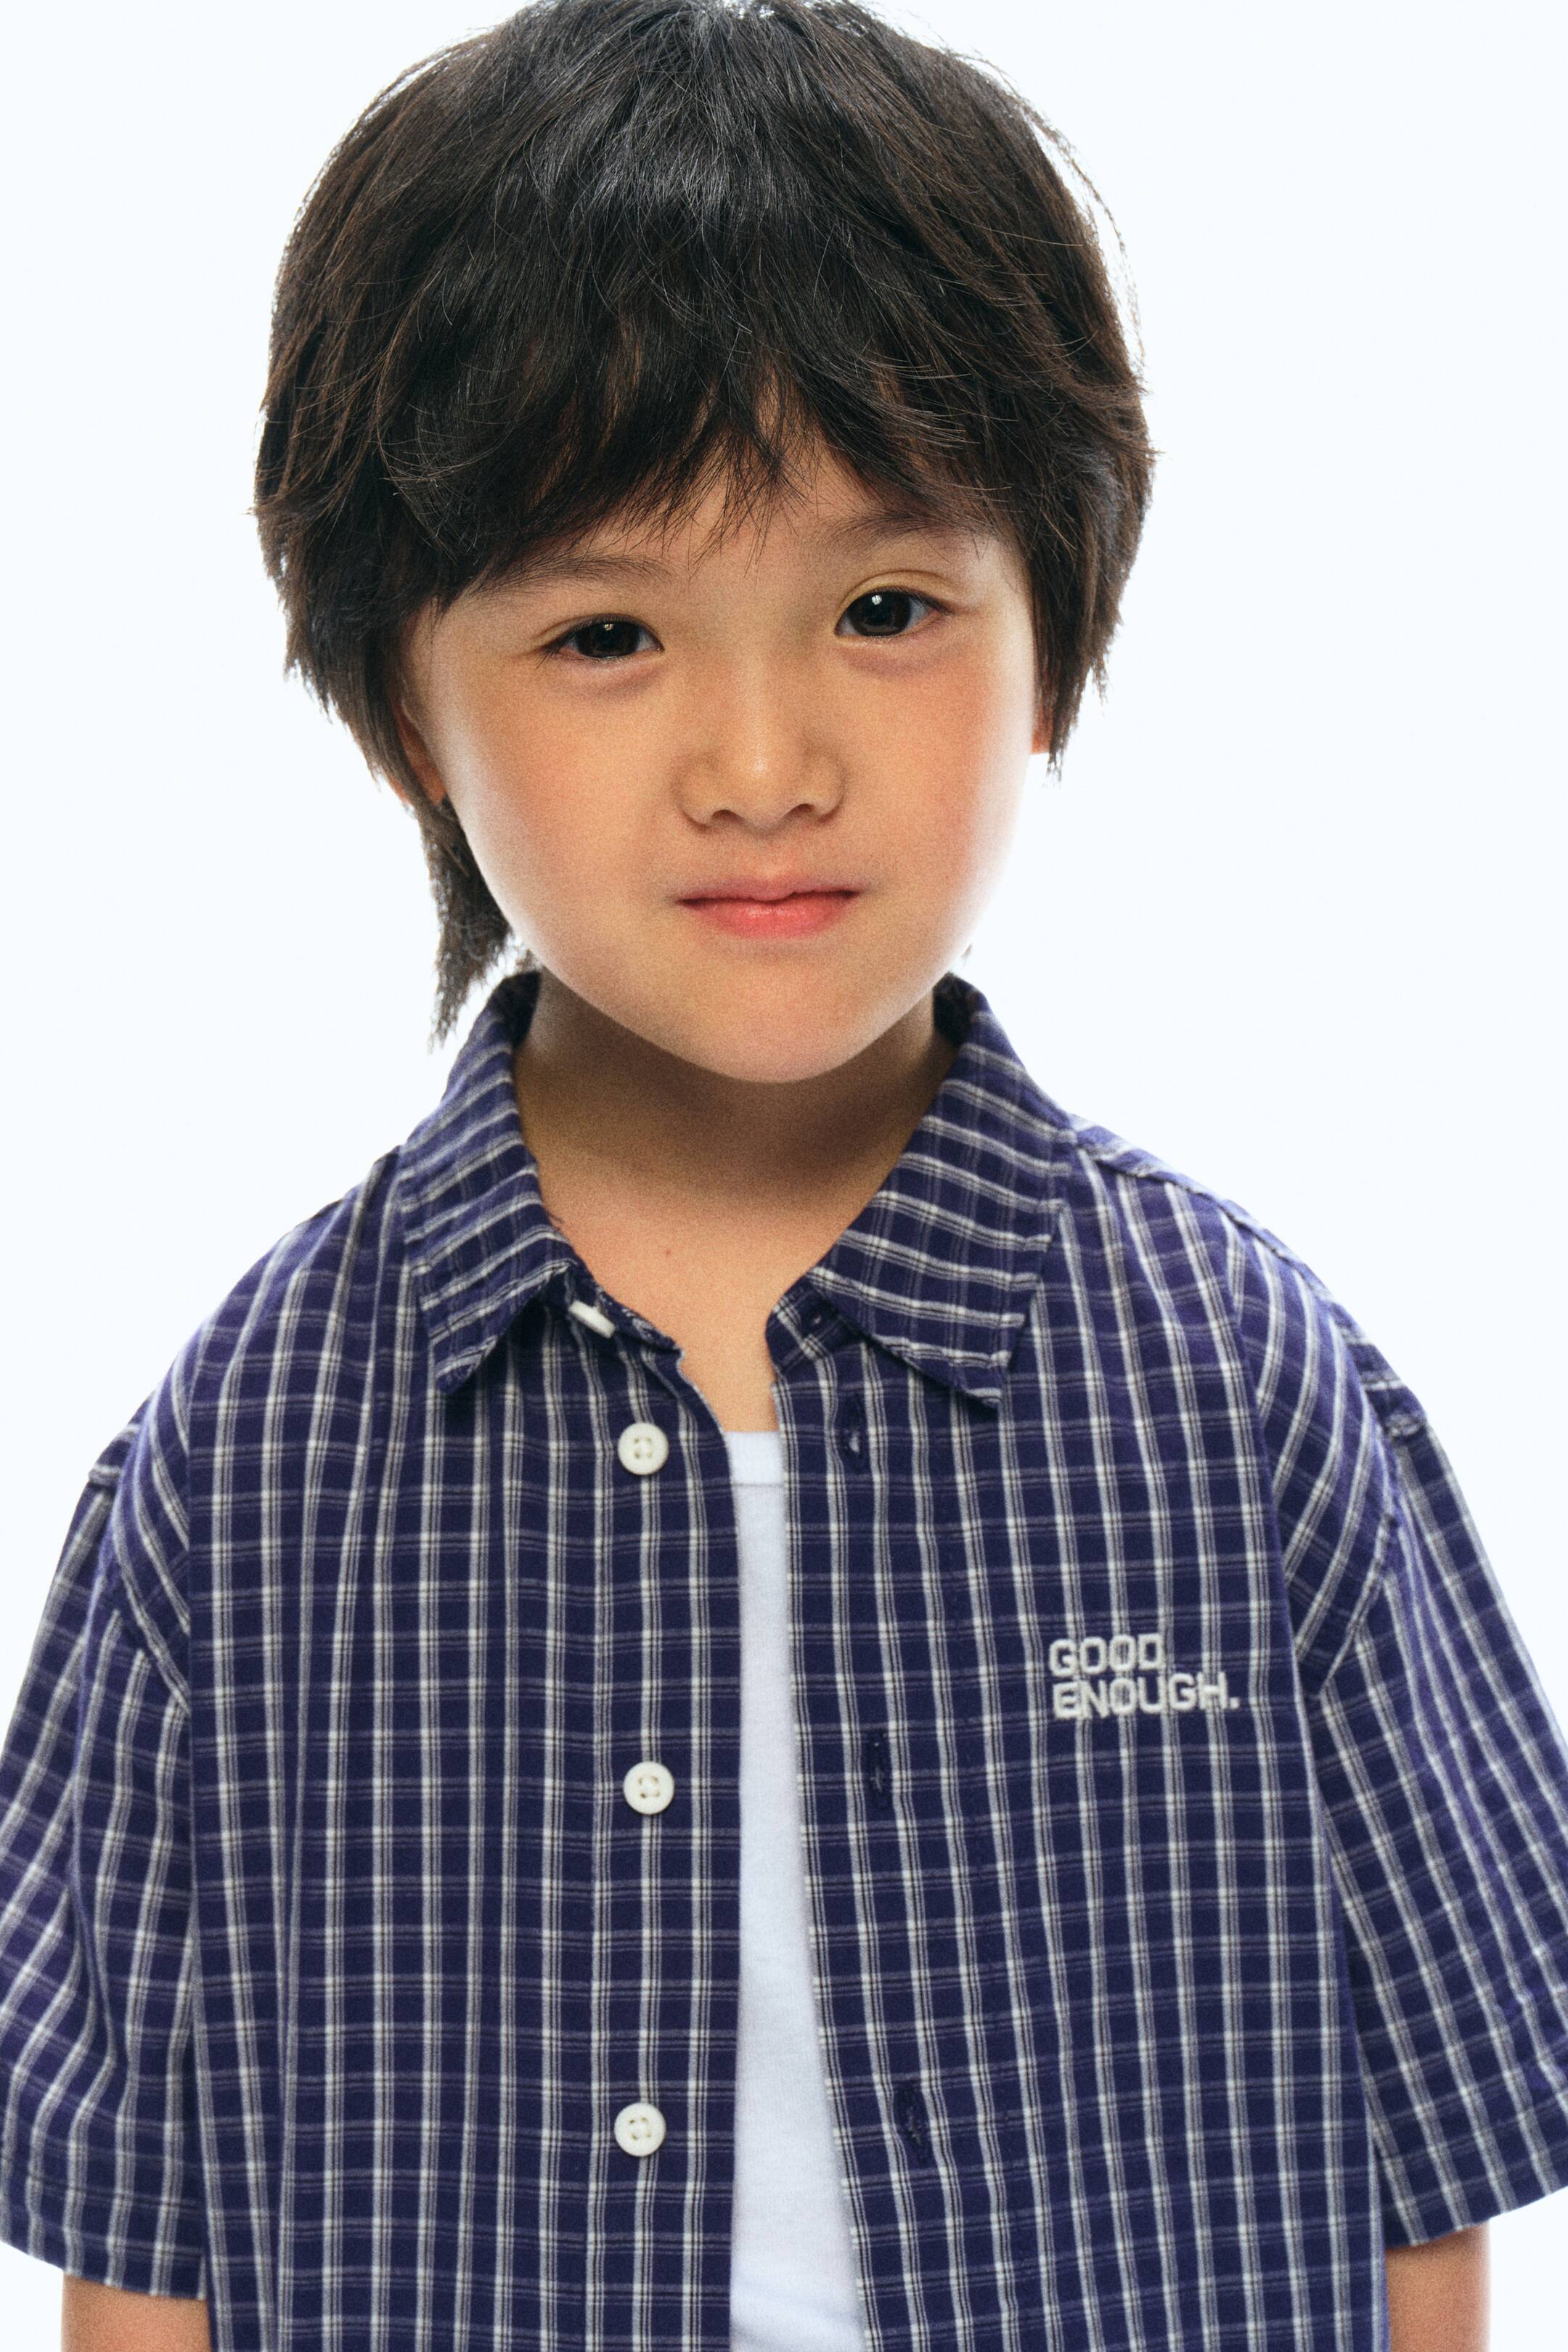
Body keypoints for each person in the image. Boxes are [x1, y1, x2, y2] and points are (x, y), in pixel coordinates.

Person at [3, 1, 1564, 2346]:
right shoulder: (249, 1465)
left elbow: (1430, 2177)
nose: (760, 764)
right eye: (608, 631)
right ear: (401, 707)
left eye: (884, 610)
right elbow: (140, 2249)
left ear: (1057, 645)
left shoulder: (1249, 1402)